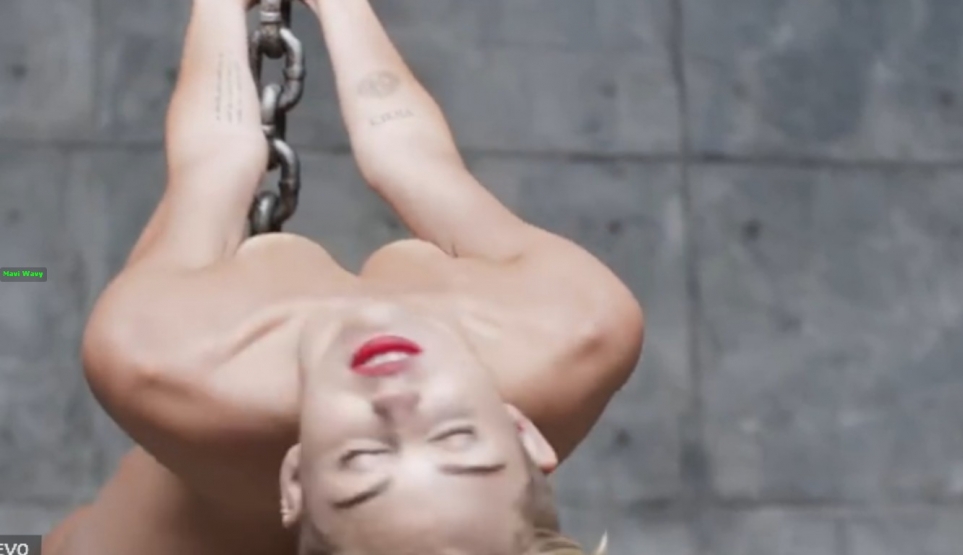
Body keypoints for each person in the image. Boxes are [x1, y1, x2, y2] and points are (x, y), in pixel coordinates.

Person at [43, 0, 644, 554]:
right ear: (524, 435)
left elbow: (214, 164)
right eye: (458, 438)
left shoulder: (158, 356)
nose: (398, 399)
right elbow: (413, 158)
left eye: (362, 458)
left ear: (295, 479)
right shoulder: (581, 325)